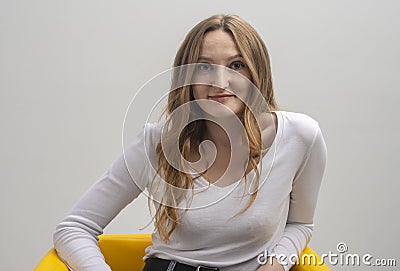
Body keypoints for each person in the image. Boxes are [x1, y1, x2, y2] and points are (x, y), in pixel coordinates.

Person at [53, 14, 327, 271]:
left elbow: (300, 223)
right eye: (204, 66)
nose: (220, 83)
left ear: (258, 73)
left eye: (236, 65)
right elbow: (73, 228)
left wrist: (273, 266)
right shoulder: (157, 142)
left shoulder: (300, 136)